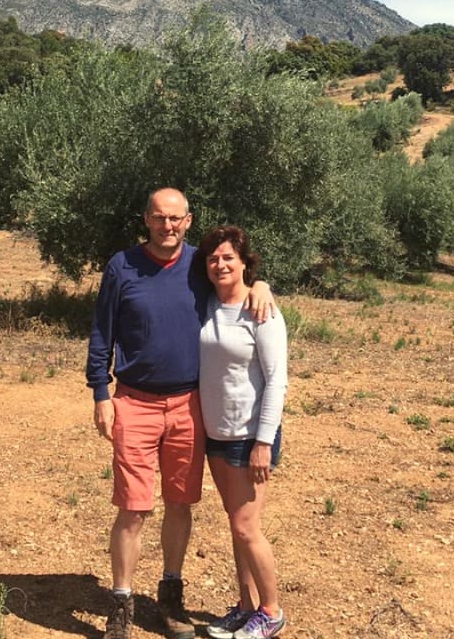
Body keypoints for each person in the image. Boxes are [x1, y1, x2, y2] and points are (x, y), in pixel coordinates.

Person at [86, 188, 275, 639]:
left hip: (191, 405)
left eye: (175, 218)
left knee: (180, 503)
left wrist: (263, 283)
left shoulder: (198, 264)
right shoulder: (122, 266)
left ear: (188, 221)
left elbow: (236, 279)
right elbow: (101, 331)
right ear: (146, 220)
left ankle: (170, 595)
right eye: (158, 218)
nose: (166, 226)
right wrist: (100, 391)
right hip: (133, 400)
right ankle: (121, 602)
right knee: (133, 508)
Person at [194, 225, 288, 639]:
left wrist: (264, 442)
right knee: (236, 524)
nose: (220, 264)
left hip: (251, 437)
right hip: (216, 433)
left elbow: (277, 380)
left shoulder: (261, 311)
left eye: (228, 257)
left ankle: (271, 612)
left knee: (247, 527)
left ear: (245, 261)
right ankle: (246, 605)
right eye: (213, 258)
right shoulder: (208, 303)